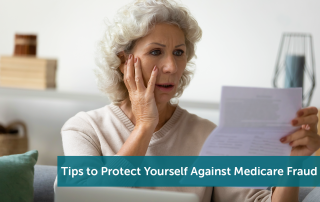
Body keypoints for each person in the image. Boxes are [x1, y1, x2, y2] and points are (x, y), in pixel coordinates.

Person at [56, 0, 320, 201]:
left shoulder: (208, 136)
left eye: (179, 52)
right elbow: (87, 196)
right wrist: (145, 125)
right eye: (156, 51)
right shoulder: (84, 128)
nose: (171, 65)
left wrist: (293, 165)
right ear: (126, 61)